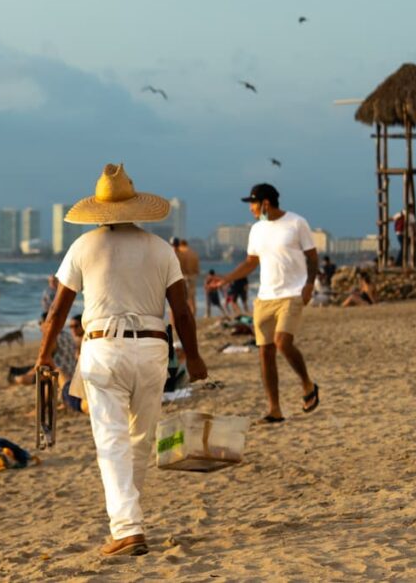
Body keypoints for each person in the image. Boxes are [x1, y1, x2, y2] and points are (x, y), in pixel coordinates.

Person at [36, 163, 207, 558]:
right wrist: (193, 358)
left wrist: (44, 355)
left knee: (111, 440)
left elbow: (58, 313)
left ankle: (128, 528)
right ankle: (131, 522)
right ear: (134, 207)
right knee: (140, 438)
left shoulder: (83, 247)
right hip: (152, 349)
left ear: (98, 209)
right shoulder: (161, 249)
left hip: (104, 349)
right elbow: (182, 314)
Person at [208, 183, 319, 423]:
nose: (251, 209)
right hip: (265, 297)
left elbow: (312, 257)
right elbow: (251, 262)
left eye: (253, 204)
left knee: (282, 342)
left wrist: (309, 284)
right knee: (265, 353)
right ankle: (274, 409)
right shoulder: (256, 230)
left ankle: (307, 383)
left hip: (292, 293)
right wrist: (226, 278)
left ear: (266, 203)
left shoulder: (297, 223)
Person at [178, 239, 200, 315]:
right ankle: (193, 316)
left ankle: (186, 317)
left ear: (180, 245)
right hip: (193, 277)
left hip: (184, 276)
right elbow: (197, 269)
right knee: (192, 298)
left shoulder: (180, 252)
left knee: (183, 299)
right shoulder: (193, 253)